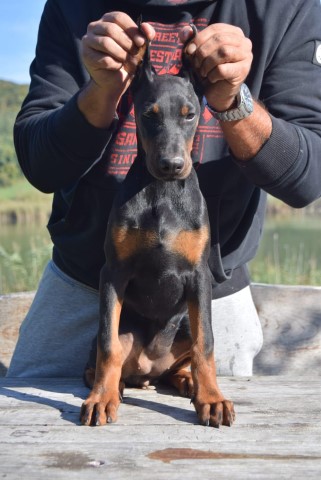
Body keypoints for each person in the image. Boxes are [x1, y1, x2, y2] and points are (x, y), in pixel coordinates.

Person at [7, 0, 321, 378]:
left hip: (207, 302)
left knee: (213, 436)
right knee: (33, 435)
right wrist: (101, 91)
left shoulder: (283, 8)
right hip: (83, 292)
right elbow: (39, 166)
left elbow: (307, 177)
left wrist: (232, 102)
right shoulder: (74, 7)